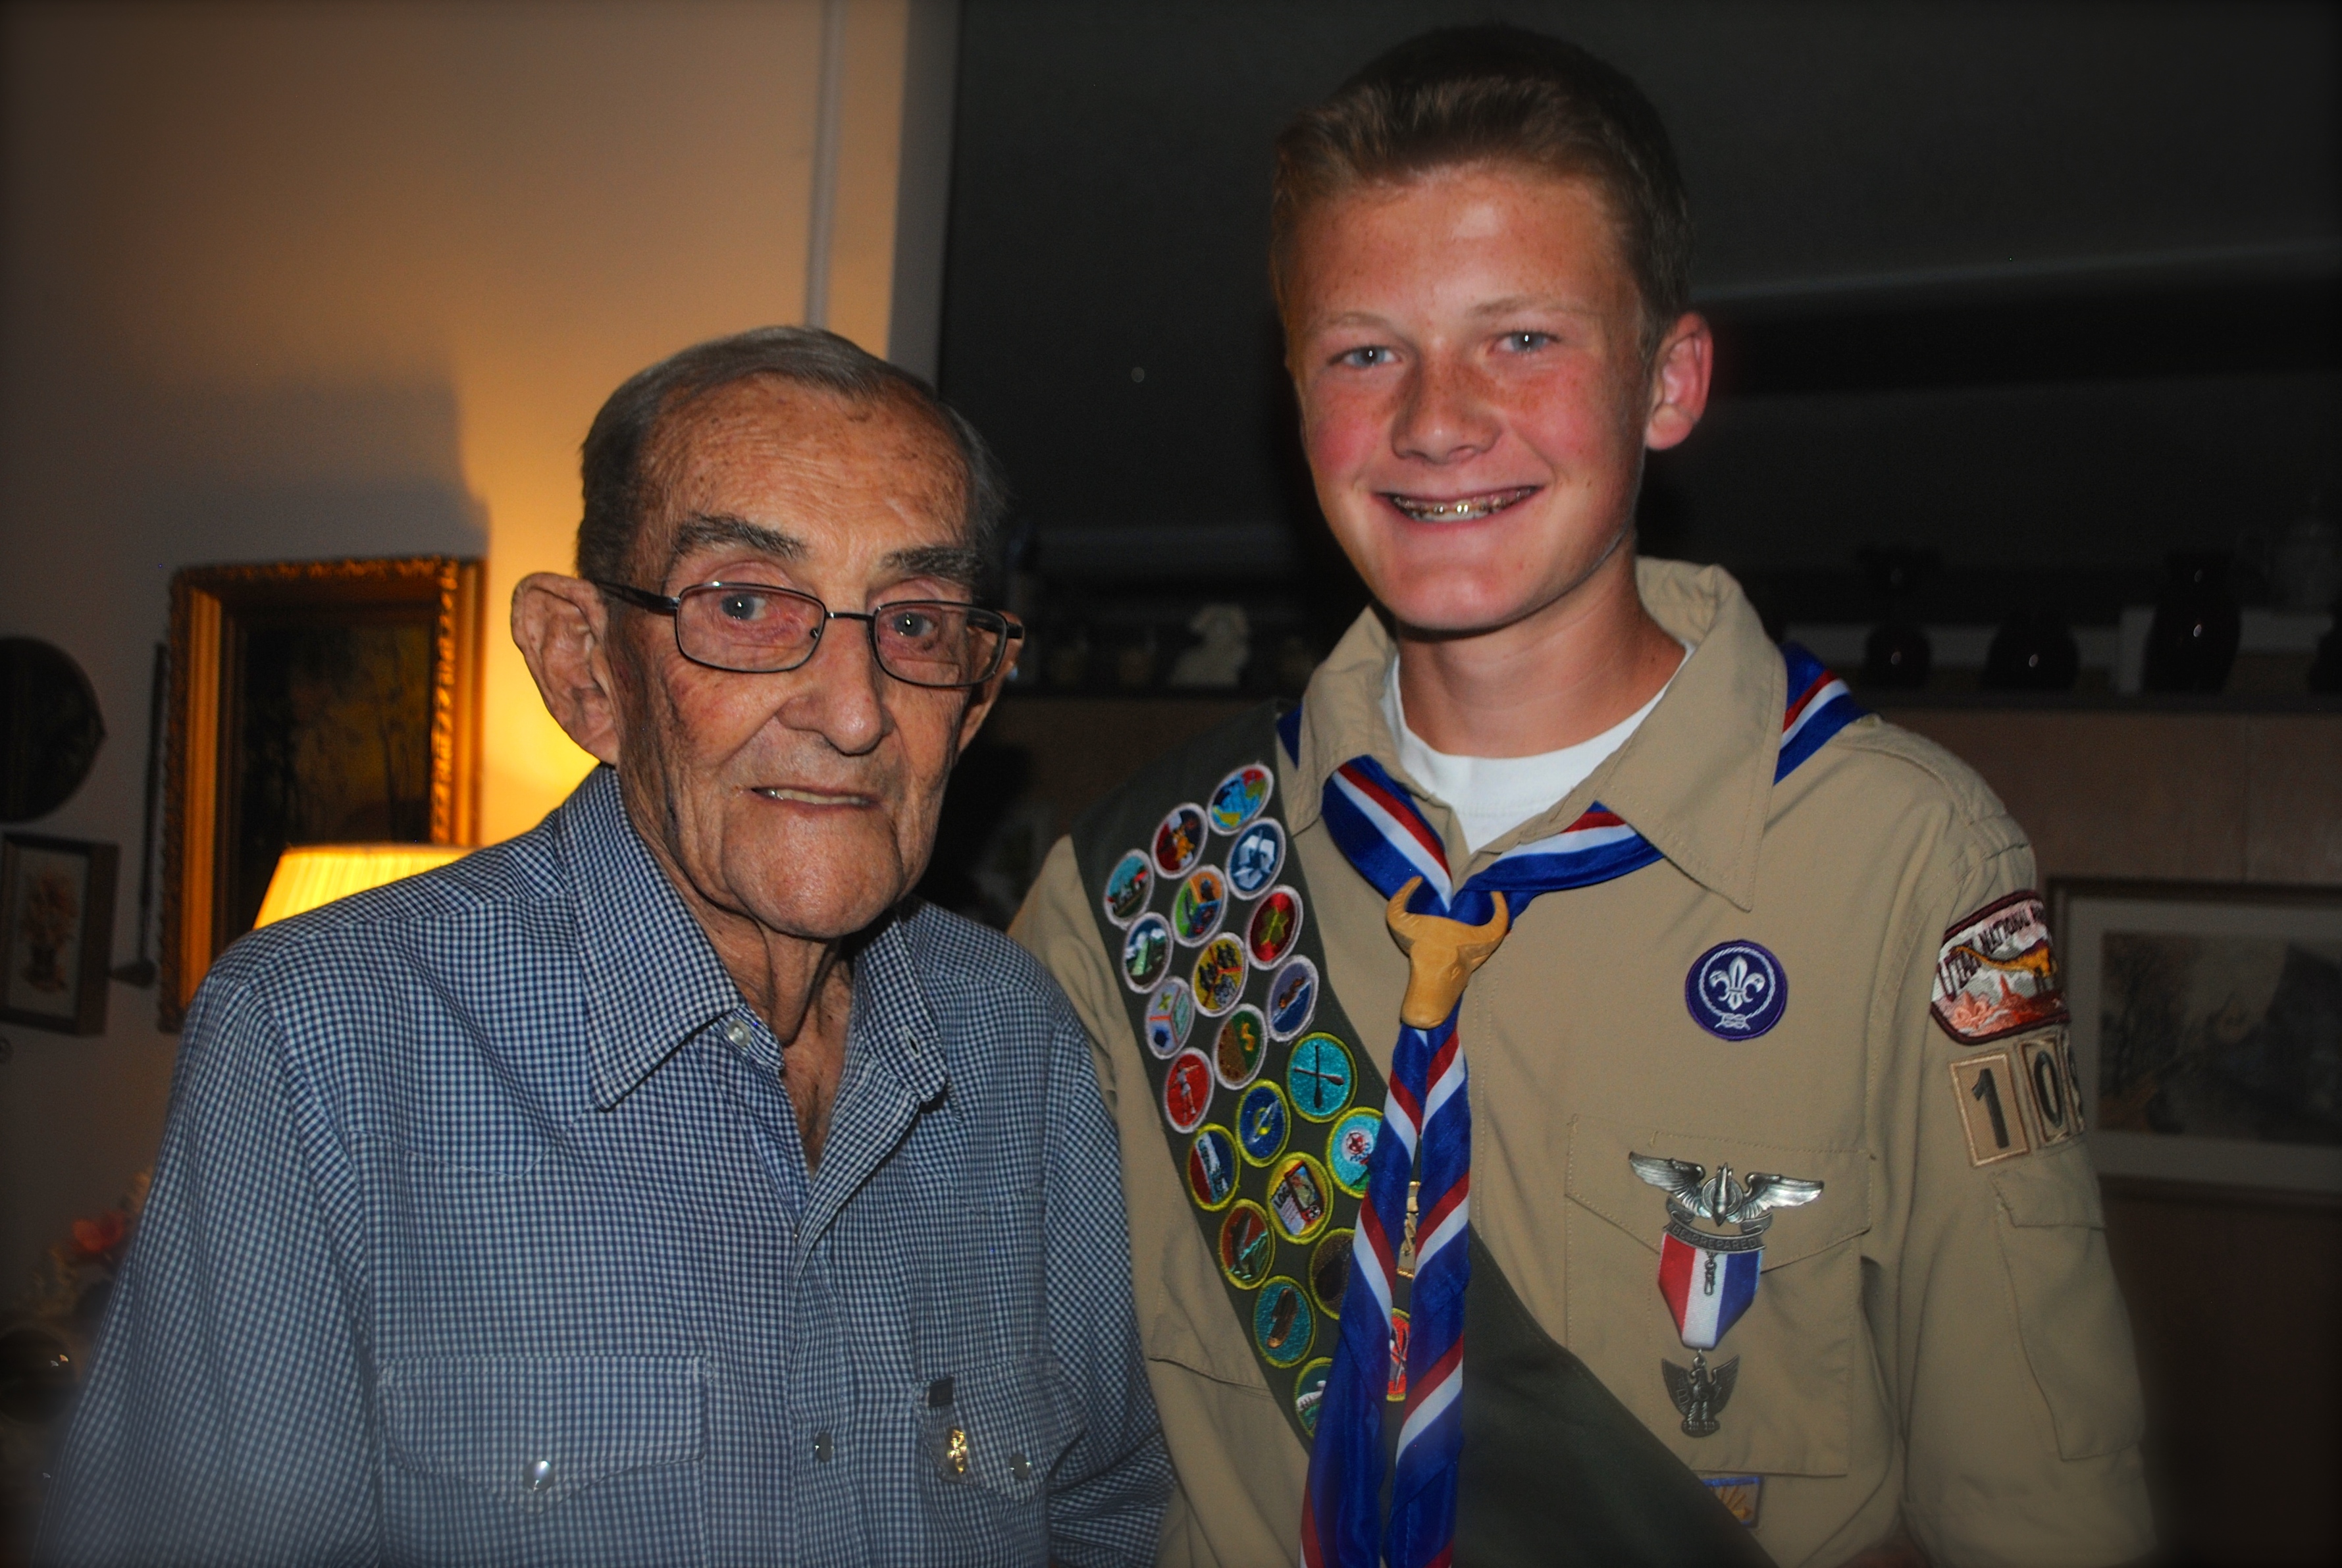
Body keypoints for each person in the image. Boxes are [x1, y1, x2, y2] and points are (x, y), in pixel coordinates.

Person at [1012, 26, 2152, 1568]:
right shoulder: (1148, 884)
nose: (1435, 418)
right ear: (1294, 397)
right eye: (1364, 352)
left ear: (1668, 382)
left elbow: (2040, 1508)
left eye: (1524, 339)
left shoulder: (1903, 864)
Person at [41, 327, 1170, 1567]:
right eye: (745, 604)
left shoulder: (1020, 1042)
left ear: (975, 694)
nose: (855, 712)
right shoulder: (322, 1043)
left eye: (914, 622)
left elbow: (1106, 1516)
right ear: (586, 668)